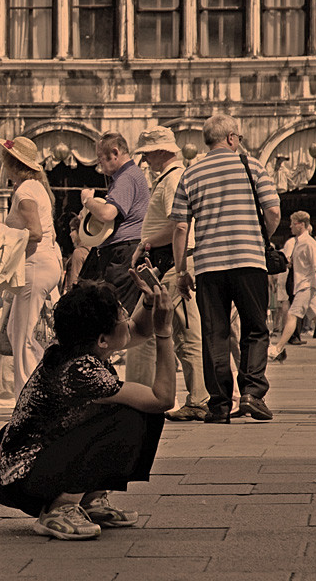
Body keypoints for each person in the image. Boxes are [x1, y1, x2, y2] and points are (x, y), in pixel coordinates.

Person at [0, 278, 175, 541]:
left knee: (130, 411)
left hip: (23, 468)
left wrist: (148, 302)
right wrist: (165, 330)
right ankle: (60, 507)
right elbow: (162, 398)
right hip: (24, 478)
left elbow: (136, 331)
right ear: (101, 340)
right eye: (121, 313)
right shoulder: (81, 372)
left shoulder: (72, 345)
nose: (126, 317)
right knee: (130, 417)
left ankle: (89, 501)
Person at [171, 113, 281, 423]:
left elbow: (180, 227)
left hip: (209, 266)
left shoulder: (190, 174)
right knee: (255, 329)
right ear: (231, 138)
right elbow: (272, 211)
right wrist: (260, 239)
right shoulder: (252, 166)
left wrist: (182, 270)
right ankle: (251, 393)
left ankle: (219, 406)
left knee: (214, 333)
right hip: (249, 261)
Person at [0, 136, 62, 417]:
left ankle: (31, 404)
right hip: (42, 265)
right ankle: (34, 395)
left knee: (25, 338)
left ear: (11, 163)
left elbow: (35, 234)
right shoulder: (34, 187)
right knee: (19, 333)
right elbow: (12, 228)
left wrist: (2, 238)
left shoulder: (25, 191)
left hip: (35, 267)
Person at [126, 126, 209, 422]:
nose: (146, 160)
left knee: (177, 334)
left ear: (162, 151)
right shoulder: (169, 178)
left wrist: (145, 243)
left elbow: (180, 225)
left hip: (175, 264)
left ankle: (196, 399)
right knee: (160, 330)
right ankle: (146, 394)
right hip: (169, 264)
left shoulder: (174, 179)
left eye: (148, 154)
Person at [79, 132, 150, 314]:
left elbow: (107, 213)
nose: (99, 164)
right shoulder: (129, 176)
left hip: (123, 253)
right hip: (123, 251)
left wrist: (88, 200)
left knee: (119, 312)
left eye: (101, 158)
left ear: (115, 153)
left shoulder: (126, 177)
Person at [267, 212, 316, 362]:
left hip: (306, 286)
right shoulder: (299, 242)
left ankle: (277, 348)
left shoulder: (309, 243)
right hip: (303, 285)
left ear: (301, 224)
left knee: (292, 315)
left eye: (293, 223)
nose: (291, 226)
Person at [63, 215, 89, 293]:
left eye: (72, 230)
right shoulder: (92, 250)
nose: (70, 234)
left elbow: (74, 281)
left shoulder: (78, 252)